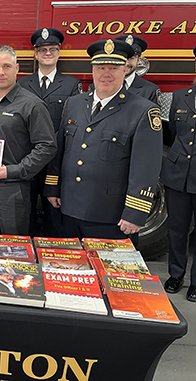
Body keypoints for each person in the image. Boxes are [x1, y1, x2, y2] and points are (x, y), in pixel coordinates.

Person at [44, 39, 163, 240]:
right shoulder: (73, 104)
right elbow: (60, 150)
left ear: (125, 69)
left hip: (110, 216)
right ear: (92, 70)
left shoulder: (143, 111)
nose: (105, 74)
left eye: (113, 68)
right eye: (100, 67)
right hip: (69, 208)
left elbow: (146, 168)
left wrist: (135, 213)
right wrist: (52, 187)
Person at [0, 45, 57, 235]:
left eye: (7, 66)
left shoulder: (32, 105)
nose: (1, 72)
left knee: (13, 249)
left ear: (17, 69)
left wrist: (13, 170)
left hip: (13, 189)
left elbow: (47, 146)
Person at [161, 42, 196, 302]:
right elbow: (173, 134)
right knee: (176, 229)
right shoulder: (180, 97)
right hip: (177, 174)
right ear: (195, 67)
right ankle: (175, 274)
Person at [17, 28, 81, 236]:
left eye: (52, 49)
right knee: (25, 209)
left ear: (59, 53)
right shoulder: (22, 83)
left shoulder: (72, 84)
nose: (47, 53)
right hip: (28, 156)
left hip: (56, 159)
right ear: (35, 54)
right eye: (42, 50)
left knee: (54, 210)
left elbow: (70, 124)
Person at [114, 35, 160, 104]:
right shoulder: (100, 86)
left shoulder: (150, 90)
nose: (126, 63)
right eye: (123, 58)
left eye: (131, 58)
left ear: (138, 59)